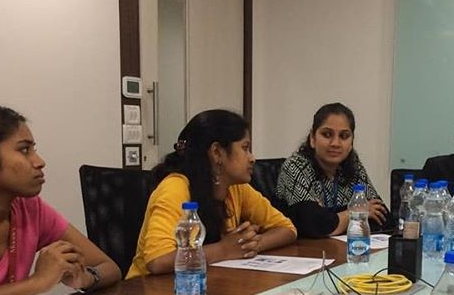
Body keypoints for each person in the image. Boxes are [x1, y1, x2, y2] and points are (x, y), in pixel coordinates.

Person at [127, 109, 296, 278]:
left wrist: (249, 245)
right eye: (245, 148)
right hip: (150, 293)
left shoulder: (236, 187)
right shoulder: (175, 187)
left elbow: (287, 229)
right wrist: (223, 250)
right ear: (216, 152)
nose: (252, 158)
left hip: (205, 284)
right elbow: (158, 261)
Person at [0, 106, 121, 295]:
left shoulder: (30, 209)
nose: (39, 161)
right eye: (24, 150)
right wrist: (38, 282)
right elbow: (40, 282)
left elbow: (109, 267)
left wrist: (85, 277)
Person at [276, 102, 391, 237]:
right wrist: (355, 213)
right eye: (327, 134)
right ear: (312, 138)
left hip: (338, 251)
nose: (335, 143)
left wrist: (331, 219)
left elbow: (383, 219)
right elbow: (314, 226)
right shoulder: (296, 166)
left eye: (344, 136)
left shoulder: (352, 165)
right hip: (300, 252)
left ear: (352, 141)